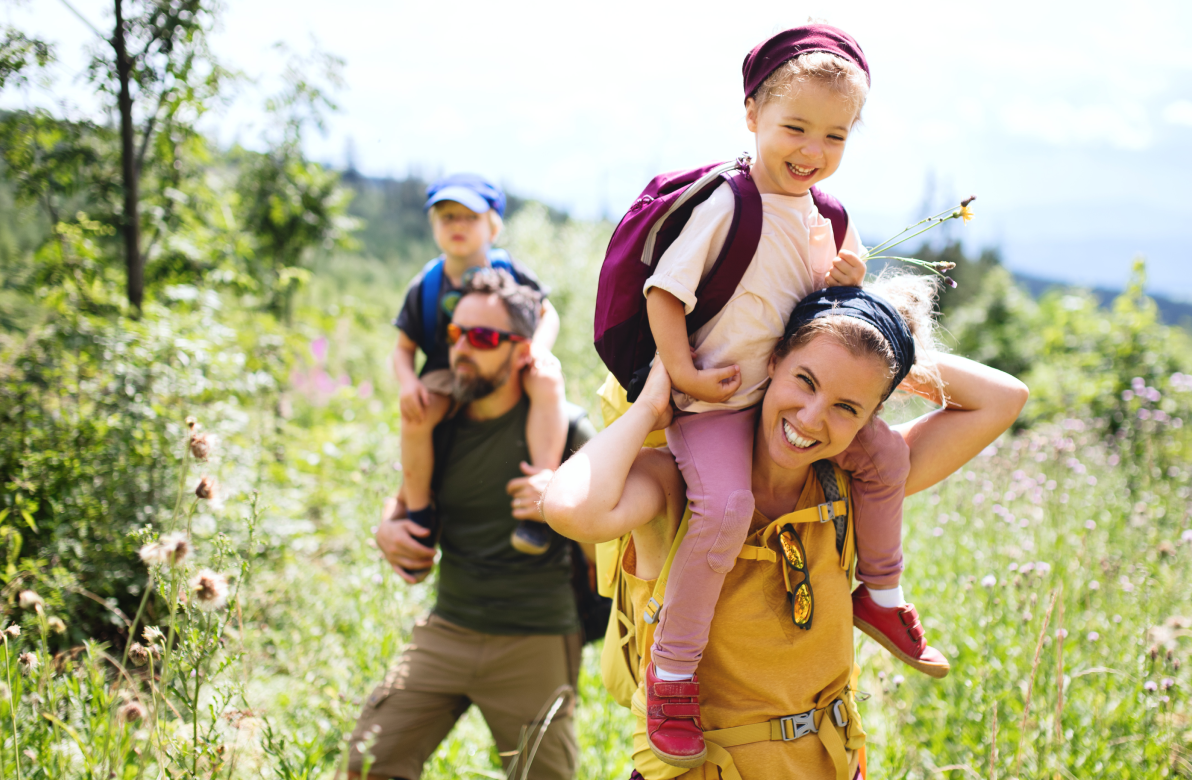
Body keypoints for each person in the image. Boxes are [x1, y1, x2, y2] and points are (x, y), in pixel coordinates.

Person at [544, 279, 1029, 779]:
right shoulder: (678, 484)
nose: (812, 418)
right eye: (806, 380)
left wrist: (876, 346)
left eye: (847, 407)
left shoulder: (852, 486)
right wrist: (650, 406)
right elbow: (570, 509)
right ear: (770, 361)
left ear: (869, 417)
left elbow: (1004, 398)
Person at [626, 23, 944, 767]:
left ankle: (882, 594)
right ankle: (671, 674)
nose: (812, 150)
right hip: (717, 404)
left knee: (885, 460)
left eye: (834, 136)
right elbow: (664, 293)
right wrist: (685, 376)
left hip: (786, 400)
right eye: (794, 128)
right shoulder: (727, 205)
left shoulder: (825, 213)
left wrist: (847, 275)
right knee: (725, 509)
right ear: (752, 116)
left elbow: (845, 289)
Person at [351, 268, 593, 780]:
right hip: (449, 627)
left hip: (535, 637)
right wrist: (386, 528)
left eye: (482, 337)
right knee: (368, 761)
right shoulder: (438, 422)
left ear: (522, 350)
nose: (461, 349)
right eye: (455, 334)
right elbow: (402, 500)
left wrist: (566, 504)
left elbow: (610, 546)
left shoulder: (566, 428)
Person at [392, 173, 566, 559]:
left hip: (506, 361)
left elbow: (546, 313)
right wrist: (408, 383)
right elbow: (403, 349)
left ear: (493, 226)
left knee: (547, 380)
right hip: (446, 369)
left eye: (469, 217)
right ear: (433, 225)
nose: (457, 226)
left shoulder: (511, 271)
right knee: (416, 417)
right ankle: (420, 514)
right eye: (446, 217)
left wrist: (537, 348)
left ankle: (538, 498)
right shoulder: (426, 285)